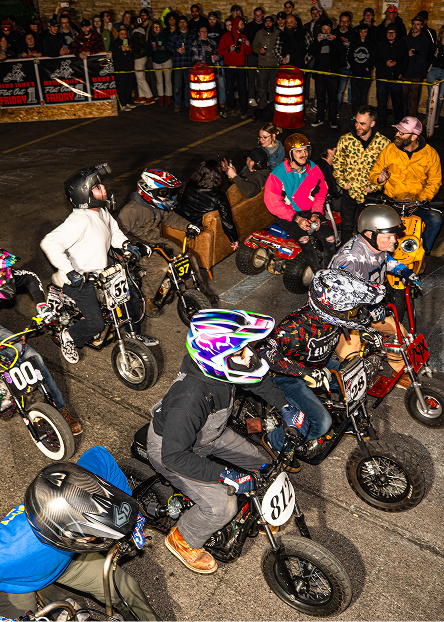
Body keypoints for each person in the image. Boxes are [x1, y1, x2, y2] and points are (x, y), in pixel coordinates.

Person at [146, 309, 308, 573]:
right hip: (172, 449)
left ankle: (262, 505)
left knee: (262, 465)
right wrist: (225, 474)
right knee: (223, 506)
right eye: (241, 352)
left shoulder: (222, 370)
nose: (249, 357)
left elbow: (256, 380)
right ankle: (183, 538)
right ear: (216, 358)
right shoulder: (188, 400)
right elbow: (174, 456)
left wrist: (285, 406)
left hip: (210, 434)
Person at [0, 446, 158, 620]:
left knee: (127, 589)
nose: (95, 538)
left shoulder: (81, 484)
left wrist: (129, 512)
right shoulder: (8, 550)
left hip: (67, 560)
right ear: (63, 535)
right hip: (15, 584)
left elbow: (100, 455)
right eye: (90, 535)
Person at [258, 269, 386, 459]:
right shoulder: (295, 327)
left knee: (357, 377)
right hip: (287, 377)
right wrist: (306, 372)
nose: (357, 313)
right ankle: (275, 441)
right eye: (352, 310)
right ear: (332, 309)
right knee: (321, 423)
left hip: (321, 363)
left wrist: (367, 331)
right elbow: (263, 352)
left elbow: (353, 322)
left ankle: (346, 418)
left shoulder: (330, 316)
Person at [40, 164, 155, 364]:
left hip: (102, 273)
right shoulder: (79, 220)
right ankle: (70, 336)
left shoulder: (101, 212)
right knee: (96, 322)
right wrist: (70, 270)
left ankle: (133, 335)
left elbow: (113, 232)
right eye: (97, 187)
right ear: (84, 194)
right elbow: (49, 242)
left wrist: (127, 245)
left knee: (131, 298)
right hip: (79, 279)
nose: (104, 189)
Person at [330, 204, 422, 387]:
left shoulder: (375, 247)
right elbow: (341, 294)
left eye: (394, 235)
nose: (394, 241)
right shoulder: (350, 260)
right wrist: (369, 307)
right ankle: (350, 388)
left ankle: (401, 370)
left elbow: (385, 259)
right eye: (388, 236)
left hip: (371, 308)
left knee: (400, 334)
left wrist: (402, 270)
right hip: (345, 317)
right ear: (370, 235)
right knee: (351, 357)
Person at [0, 250, 82, 435]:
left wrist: (41, 305)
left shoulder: (7, 275)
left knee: (31, 356)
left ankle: (60, 408)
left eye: (5, 272)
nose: (7, 277)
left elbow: (30, 277)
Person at [117, 168, 210, 318]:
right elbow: (120, 234)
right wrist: (138, 245)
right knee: (160, 266)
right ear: (148, 191)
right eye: (163, 193)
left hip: (157, 241)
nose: (167, 196)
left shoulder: (156, 206)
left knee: (187, 257)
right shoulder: (130, 211)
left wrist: (188, 225)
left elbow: (171, 218)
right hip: (140, 247)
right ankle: (147, 300)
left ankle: (197, 290)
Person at [369, 116, 443, 259]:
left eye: (402, 133)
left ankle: (421, 253)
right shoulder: (390, 150)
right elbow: (375, 172)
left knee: (435, 220)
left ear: (414, 136)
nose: (397, 134)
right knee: (371, 221)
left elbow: (435, 181)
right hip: (392, 202)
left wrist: (420, 199)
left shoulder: (430, 154)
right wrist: (379, 178)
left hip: (417, 203)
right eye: (397, 131)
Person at [264, 133, 336, 274]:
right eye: (298, 151)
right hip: (289, 214)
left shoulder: (313, 169)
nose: (303, 154)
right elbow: (273, 204)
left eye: (305, 150)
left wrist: (316, 213)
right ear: (290, 154)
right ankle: (317, 275)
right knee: (304, 239)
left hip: (310, 211)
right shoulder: (278, 174)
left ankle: (327, 272)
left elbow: (321, 192)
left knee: (330, 238)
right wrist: (297, 218)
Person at [333, 105, 390, 243]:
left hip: (369, 194)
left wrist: (375, 187)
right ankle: (345, 256)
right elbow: (337, 163)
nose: (357, 126)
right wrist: (343, 183)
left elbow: (387, 170)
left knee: (366, 228)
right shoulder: (346, 140)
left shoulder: (384, 144)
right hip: (349, 192)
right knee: (346, 226)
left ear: (372, 123)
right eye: (356, 121)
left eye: (362, 123)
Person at [176, 160, 239, 250]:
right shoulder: (219, 196)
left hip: (181, 219)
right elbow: (227, 221)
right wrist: (234, 239)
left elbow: (180, 200)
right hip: (198, 226)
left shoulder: (188, 184)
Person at [308, 18, 344, 129]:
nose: (326, 32)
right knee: (320, 97)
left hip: (332, 75)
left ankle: (332, 120)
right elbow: (310, 52)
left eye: (328, 29)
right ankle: (319, 118)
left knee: (333, 98)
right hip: (320, 74)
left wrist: (335, 40)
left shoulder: (335, 39)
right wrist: (317, 41)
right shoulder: (317, 40)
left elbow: (342, 51)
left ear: (331, 30)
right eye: (324, 29)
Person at [375, 24, 409, 131]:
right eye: (389, 32)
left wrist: (401, 72)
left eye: (393, 32)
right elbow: (375, 60)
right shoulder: (380, 45)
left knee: (398, 103)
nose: (391, 34)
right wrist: (386, 63)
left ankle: (399, 124)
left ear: (396, 34)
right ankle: (382, 123)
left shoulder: (401, 44)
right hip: (382, 79)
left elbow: (405, 60)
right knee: (381, 103)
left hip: (396, 79)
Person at [218, 17, 252, 119]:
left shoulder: (244, 36)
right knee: (229, 89)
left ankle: (243, 110)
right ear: (236, 24)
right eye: (241, 24)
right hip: (229, 66)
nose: (243, 26)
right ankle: (230, 108)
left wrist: (248, 45)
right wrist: (229, 50)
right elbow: (219, 51)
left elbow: (248, 53)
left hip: (241, 66)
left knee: (242, 89)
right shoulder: (226, 36)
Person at [167, 16, 197, 113]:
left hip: (189, 63)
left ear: (187, 24)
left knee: (189, 85)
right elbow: (169, 47)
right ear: (178, 24)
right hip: (178, 63)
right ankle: (177, 104)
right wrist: (176, 49)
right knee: (177, 85)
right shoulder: (174, 34)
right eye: (181, 22)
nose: (183, 24)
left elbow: (196, 46)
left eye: (184, 22)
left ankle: (188, 103)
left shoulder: (192, 34)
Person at [402, 16, 430, 117]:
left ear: (422, 26)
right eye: (414, 24)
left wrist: (413, 55)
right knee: (402, 99)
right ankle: (401, 121)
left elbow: (424, 56)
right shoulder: (405, 39)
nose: (415, 26)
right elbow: (401, 56)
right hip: (405, 74)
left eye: (418, 24)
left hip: (416, 74)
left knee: (414, 100)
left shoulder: (425, 40)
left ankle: (411, 122)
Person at [333, 12, 358, 115]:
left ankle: (353, 111)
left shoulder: (353, 34)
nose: (343, 24)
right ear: (339, 22)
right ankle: (337, 110)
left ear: (349, 22)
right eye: (342, 21)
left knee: (354, 90)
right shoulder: (334, 33)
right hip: (339, 66)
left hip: (352, 66)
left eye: (346, 22)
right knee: (340, 90)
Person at [349, 23, 376, 115]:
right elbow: (350, 57)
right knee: (355, 96)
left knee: (363, 97)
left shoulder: (371, 44)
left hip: (366, 74)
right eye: (361, 32)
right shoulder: (354, 43)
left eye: (365, 32)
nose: (363, 34)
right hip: (355, 73)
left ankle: (362, 115)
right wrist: (353, 68)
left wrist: (370, 68)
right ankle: (354, 114)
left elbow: (374, 58)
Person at [252, 15, 279, 110]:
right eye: (266, 22)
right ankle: (262, 106)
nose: (268, 24)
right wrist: (259, 50)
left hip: (275, 65)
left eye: (270, 22)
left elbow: (281, 48)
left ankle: (272, 106)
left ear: (273, 23)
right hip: (263, 64)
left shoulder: (278, 33)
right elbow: (254, 47)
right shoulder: (259, 33)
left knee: (273, 87)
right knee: (262, 86)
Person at [132, 11, 156, 106]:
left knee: (140, 77)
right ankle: (142, 95)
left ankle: (149, 96)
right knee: (139, 77)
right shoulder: (141, 31)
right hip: (142, 56)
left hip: (139, 57)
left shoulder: (136, 33)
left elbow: (136, 46)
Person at [147, 20, 173, 107]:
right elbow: (148, 50)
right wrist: (153, 50)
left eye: (157, 26)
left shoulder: (165, 35)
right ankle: (161, 98)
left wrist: (164, 48)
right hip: (156, 60)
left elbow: (170, 45)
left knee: (168, 80)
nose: (156, 28)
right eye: (154, 27)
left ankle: (168, 98)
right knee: (159, 81)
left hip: (165, 59)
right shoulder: (151, 38)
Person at [111, 26, 135, 112]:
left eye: (125, 34)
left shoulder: (130, 41)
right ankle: (123, 104)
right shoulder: (115, 43)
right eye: (122, 34)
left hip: (129, 67)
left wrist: (130, 49)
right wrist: (121, 50)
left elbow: (135, 52)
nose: (123, 36)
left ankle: (128, 102)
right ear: (118, 34)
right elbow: (114, 55)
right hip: (120, 68)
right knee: (122, 87)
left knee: (129, 86)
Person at [315, 135, 342, 211]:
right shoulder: (324, 168)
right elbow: (334, 192)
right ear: (329, 150)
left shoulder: (328, 165)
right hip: (323, 204)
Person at [245, 7, 265, 107]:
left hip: (263, 57)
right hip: (252, 56)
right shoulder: (249, 26)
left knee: (262, 79)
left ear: (263, 15)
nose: (257, 17)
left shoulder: (266, 25)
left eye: (259, 15)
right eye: (255, 15)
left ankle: (260, 97)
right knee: (251, 78)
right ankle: (251, 97)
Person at [426, 25, 444, 127]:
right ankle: (429, 120)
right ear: (442, 33)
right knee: (431, 97)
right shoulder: (435, 45)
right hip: (434, 71)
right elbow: (431, 59)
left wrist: (439, 58)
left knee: (440, 97)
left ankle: (435, 120)